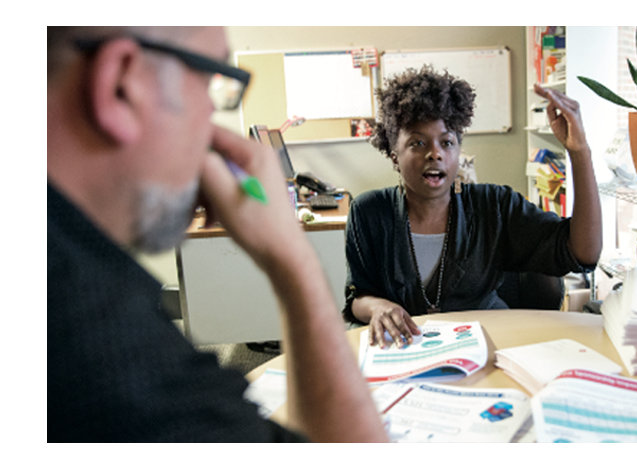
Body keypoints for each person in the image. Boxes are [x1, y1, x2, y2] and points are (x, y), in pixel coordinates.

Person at [47, 26, 387, 442]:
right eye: (208, 81)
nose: (211, 123)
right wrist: (292, 255)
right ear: (121, 86)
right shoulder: (110, 353)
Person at [343, 67, 602, 348]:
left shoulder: (495, 206)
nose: (435, 153)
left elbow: (583, 254)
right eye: (417, 143)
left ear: (457, 150)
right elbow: (358, 297)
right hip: (405, 351)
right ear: (394, 155)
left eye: (447, 142)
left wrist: (579, 151)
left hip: (487, 347)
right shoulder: (368, 212)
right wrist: (378, 307)